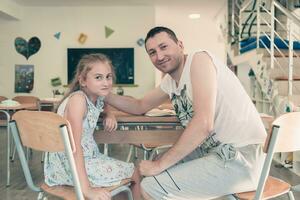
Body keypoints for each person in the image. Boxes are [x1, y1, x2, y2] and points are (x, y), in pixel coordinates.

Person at [104, 26, 267, 199]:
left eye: (163, 47)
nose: (159, 56)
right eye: (152, 52)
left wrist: (159, 165)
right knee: (149, 167)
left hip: (240, 158)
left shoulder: (199, 60)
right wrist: (103, 93)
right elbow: (139, 105)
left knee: (151, 186)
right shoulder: (171, 82)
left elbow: (204, 124)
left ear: (180, 45)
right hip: (215, 154)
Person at [44, 53, 141, 200]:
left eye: (108, 77)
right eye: (98, 77)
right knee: (135, 171)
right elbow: (74, 148)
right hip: (69, 166)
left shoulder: (94, 97)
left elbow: (104, 104)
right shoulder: (78, 100)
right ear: (83, 80)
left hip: (84, 160)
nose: (106, 82)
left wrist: (109, 114)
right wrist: (86, 189)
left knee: (128, 176)